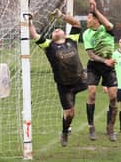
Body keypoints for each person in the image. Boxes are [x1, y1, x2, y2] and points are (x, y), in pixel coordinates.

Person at [29, 9, 87, 147]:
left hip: (80, 80)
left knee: (93, 85)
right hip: (65, 86)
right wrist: (30, 21)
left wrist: (61, 16)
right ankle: (65, 131)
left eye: (58, 30)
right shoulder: (49, 46)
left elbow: (77, 24)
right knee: (70, 114)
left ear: (64, 33)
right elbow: (34, 35)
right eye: (54, 31)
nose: (56, 30)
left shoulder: (71, 40)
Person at [83, 0, 118, 141]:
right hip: (95, 65)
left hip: (109, 67)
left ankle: (110, 128)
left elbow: (109, 24)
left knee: (113, 97)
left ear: (96, 19)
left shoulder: (106, 29)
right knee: (91, 93)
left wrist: (96, 9)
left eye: (89, 18)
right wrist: (105, 61)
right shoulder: (86, 34)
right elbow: (90, 54)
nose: (87, 21)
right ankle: (91, 127)